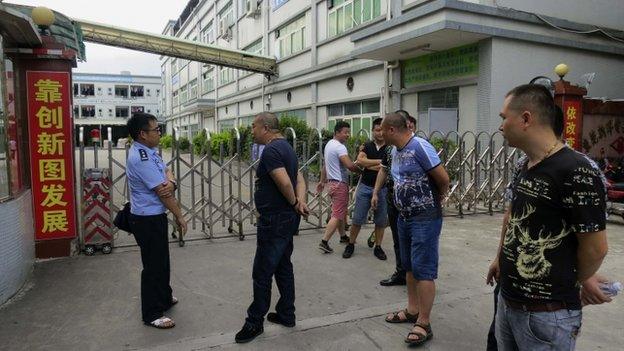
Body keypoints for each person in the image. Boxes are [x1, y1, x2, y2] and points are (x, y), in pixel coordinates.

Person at [486, 101, 613, 350]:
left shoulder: (578, 170)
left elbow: (595, 248)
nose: (500, 126)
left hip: (547, 313)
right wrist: (499, 257)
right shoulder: (525, 164)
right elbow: (512, 214)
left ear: (525, 119)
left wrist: (577, 279)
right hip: (508, 300)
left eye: (504, 117)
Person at [235, 113, 310, 343]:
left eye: (254, 126)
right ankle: (287, 314)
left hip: (275, 220)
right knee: (283, 266)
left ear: (266, 127)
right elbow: (299, 179)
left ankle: (254, 321)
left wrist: (295, 202)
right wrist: (300, 202)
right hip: (286, 218)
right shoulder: (286, 147)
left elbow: (285, 182)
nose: (252, 130)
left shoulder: (271, 150)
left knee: (262, 271)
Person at [378, 113, 449, 347]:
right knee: (408, 266)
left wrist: (437, 198)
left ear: (391, 130)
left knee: (424, 269)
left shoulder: (419, 146)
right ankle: (412, 310)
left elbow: (443, 178)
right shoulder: (395, 151)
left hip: (424, 218)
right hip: (404, 217)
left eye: (381, 130)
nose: (378, 134)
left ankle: (424, 322)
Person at [126, 113, 187, 329]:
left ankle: (164, 297)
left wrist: (171, 181)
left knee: (162, 262)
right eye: (156, 130)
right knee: (153, 266)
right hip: (147, 219)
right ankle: (152, 313)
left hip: (154, 216)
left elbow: (166, 171)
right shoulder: (140, 158)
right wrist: (179, 215)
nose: (159, 133)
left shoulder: (149, 152)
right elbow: (164, 192)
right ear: (142, 134)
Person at [376, 110, 416, 286]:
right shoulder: (389, 150)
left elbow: (438, 176)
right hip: (393, 199)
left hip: (413, 204)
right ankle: (401, 272)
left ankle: (416, 276)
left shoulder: (418, 147)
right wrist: (375, 191)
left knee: (414, 240)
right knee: (398, 238)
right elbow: (383, 170)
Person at [342, 118, 388, 260]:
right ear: (373, 131)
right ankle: (351, 244)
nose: (380, 133)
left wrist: (370, 165)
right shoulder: (367, 146)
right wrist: (381, 163)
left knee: (380, 221)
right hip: (365, 187)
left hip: (383, 189)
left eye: (382, 130)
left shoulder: (391, 148)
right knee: (357, 218)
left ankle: (378, 246)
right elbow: (360, 161)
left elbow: (386, 168)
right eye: (377, 130)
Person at [316, 121, 362, 253]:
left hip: (332, 184)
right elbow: (349, 165)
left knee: (340, 211)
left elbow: (325, 165)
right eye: (345, 132)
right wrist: (362, 171)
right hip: (340, 184)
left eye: (349, 132)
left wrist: (322, 181)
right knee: (337, 214)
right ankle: (324, 241)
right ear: (337, 132)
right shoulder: (340, 147)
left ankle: (343, 236)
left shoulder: (329, 145)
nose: (348, 135)